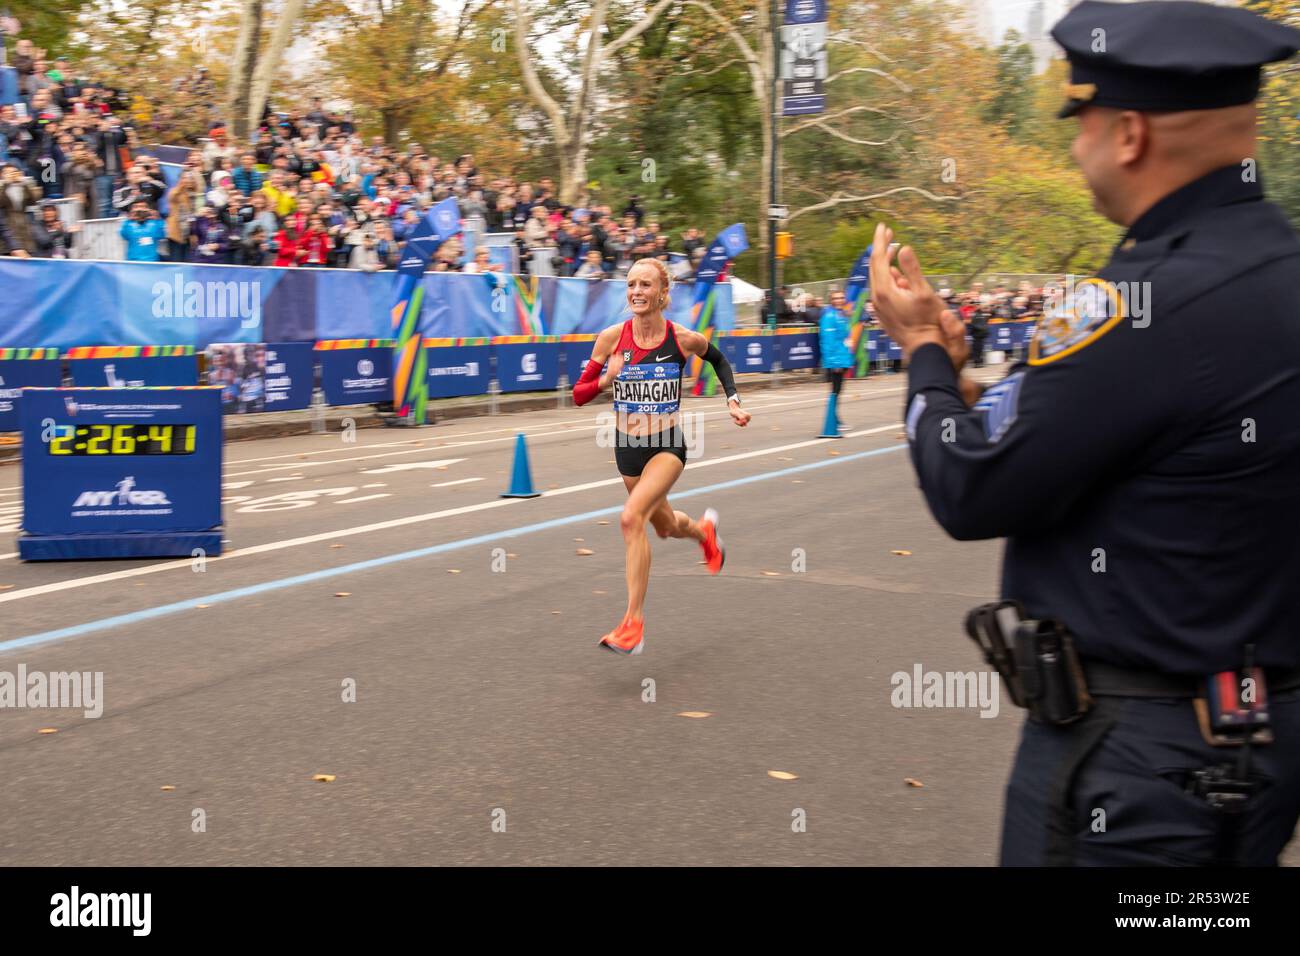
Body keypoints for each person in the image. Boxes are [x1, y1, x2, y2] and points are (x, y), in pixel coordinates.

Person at [869, 0, 1300, 867]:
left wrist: (920, 354)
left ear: (1130, 134)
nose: (1077, 146)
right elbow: (1135, 432)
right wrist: (967, 382)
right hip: (1257, 741)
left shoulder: (1143, 302)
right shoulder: (1275, 273)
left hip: (1139, 765)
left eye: (1083, 120)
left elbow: (973, 486)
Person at [571, 258, 751, 655]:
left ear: (662, 293)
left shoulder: (682, 339)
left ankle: (632, 624)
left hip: (667, 445)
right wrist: (607, 378)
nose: (636, 291)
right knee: (665, 527)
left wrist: (733, 401)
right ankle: (704, 532)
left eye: (646, 284)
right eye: (631, 284)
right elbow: (579, 394)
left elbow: (718, 360)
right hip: (627, 450)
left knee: (630, 518)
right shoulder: (611, 339)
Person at [818, 289, 853, 433]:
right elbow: (827, 341)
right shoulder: (829, 316)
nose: (839, 300)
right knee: (835, 390)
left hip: (842, 358)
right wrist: (834, 362)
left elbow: (844, 338)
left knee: (838, 390)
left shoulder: (842, 315)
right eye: (836, 298)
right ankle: (835, 420)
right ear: (831, 300)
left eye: (841, 297)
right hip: (836, 360)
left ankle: (836, 419)